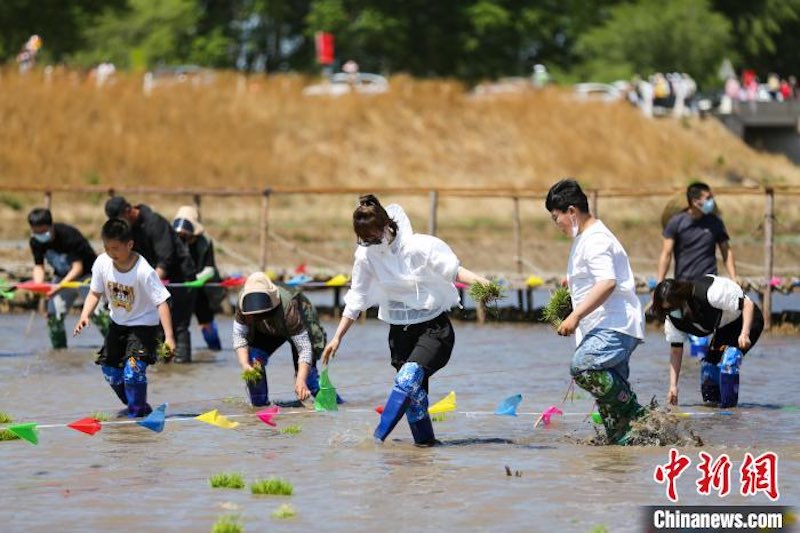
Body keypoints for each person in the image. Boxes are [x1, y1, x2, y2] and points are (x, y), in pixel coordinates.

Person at [322, 194, 489, 446]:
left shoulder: (417, 247)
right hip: (400, 334)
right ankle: (426, 449)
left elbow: (453, 270)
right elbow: (357, 296)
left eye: (373, 237)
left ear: (385, 226)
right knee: (415, 400)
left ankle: (376, 439)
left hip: (433, 329)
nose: (369, 243)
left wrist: (483, 284)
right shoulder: (366, 256)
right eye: (364, 240)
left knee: (407, 380)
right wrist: (337, 337)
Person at [545, 179, 645, 445]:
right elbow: (594, 276)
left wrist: (575, 316)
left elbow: (607, 282)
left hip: (614, 325)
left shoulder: (596, 239)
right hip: (604, 326)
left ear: (571, 211)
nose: (557, 225)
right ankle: (630, 448)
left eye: (556, 218)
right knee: (612, 418)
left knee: (582, 367)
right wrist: (572, 282)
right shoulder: (584, 238)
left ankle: (635, 409)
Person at [73, 219, 175, 417]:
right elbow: (94, 293)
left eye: (115, 248)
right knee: (110, 373)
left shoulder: (144, 271)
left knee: (133, 371)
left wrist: (169, 338)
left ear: (129, 245)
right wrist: (84, 315)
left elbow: (162, 302)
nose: (111, 253)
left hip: (143, 326)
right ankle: (139, 408)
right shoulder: (102, 262)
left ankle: (137, 415)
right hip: (118, 324)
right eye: (106, 247)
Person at [657, 182, 736, 405]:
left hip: (709, 288)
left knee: (710, 334)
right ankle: (692, 374)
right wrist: (660, 283)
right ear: (694, 201)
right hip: (683, 288)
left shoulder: (715, 222)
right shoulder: (677, 222)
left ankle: (709, 375)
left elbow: (726, 251)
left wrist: (734, 277)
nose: (711, 201)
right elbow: (666, 253)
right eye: (707, 197)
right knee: (683, 335)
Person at [105, 196, 196, 363]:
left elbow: (166, 259)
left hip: (180, 278)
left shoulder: (155, 223)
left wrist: (146, 285)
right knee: (156, 326)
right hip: (155, 279)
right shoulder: (128, 230)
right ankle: (164, 367)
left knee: (178, 326)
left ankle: (182, 364)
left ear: (128, 210)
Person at [653, 276, 763, 409]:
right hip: (724, 327)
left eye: (672, 308)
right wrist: (673, 387)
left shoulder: (710, 293)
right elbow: (676, 351)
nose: (670, 313)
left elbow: (748, 305)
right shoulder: (673, 321)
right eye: (665, 310)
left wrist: (744, 333)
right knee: (708, 369)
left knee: (730, 361)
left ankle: (730, 412)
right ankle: (713, 411)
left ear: (682, 299)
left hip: (747, 320)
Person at [233, 272, 339, 407]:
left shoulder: (288, 307)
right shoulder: (243, 303)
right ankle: (260, 407)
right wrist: (245, 365)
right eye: (254, 315)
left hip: (298, 326)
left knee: (309, 380)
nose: (258, 316)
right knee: (253, 364)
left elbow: (304, 348)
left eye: (261, 313)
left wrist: (301, 379)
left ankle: (337, 404)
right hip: (266, 330)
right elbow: (239, 335)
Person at [28, 207, 109, 349]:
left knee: (98, 314)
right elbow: (39, 266)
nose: (40, 235)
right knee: (53, 317)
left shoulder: (68, 236)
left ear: (51, 226)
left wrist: (57, 288)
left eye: (43, 231)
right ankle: (59, 353)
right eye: (36, 232)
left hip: (87, 277)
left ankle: (117, 347)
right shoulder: (35, 241)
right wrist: (39, 286)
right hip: (62, 277)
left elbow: (77, 268)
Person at [173, 205, 224, 350]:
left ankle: (215, 349)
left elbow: (210, 268)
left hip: (201, 287)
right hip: (180, 287)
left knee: (206, 323)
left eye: (185, 234)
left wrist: (197, 279)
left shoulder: (205, 242)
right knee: (176, 323)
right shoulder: (172, 240)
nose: (182, 236)